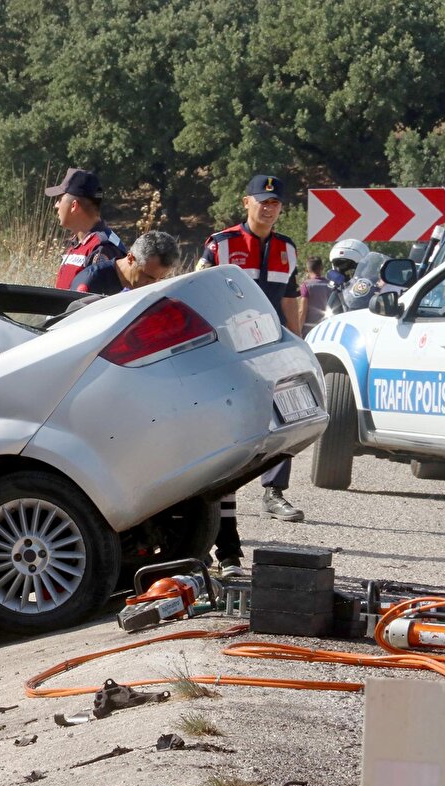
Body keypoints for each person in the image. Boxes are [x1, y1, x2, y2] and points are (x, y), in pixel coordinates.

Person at [196, 174, 305, 578]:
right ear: (246, 203)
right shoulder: (221, 243)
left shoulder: (287, 249)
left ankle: (274, 492)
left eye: (275, 203)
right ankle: (221, 541)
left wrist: (297, 345)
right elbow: (195, 291)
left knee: (283, 427)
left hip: (271, 355)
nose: (269, 208)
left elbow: (291, 297)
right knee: (226, 446)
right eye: (263, 201)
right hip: (226, 356)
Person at [46, 168, 128, 290]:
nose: (56, 205)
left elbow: (102, 302)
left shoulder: (103, 248)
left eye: (59, 199)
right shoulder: (79, 242)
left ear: (74, 206)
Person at [72, 231, 180, 294]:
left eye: (161, 278)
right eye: (149, 277)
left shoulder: (151, 289)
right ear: (130, 258)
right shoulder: (91, 282)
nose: (154, 284)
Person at [298, 255, 332, 335]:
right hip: (327, 327)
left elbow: (302, 311)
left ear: (307, 270)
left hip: (310, 329)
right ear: (321, 268)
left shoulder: (306, 285)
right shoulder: (330, 285)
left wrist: (298, 331)